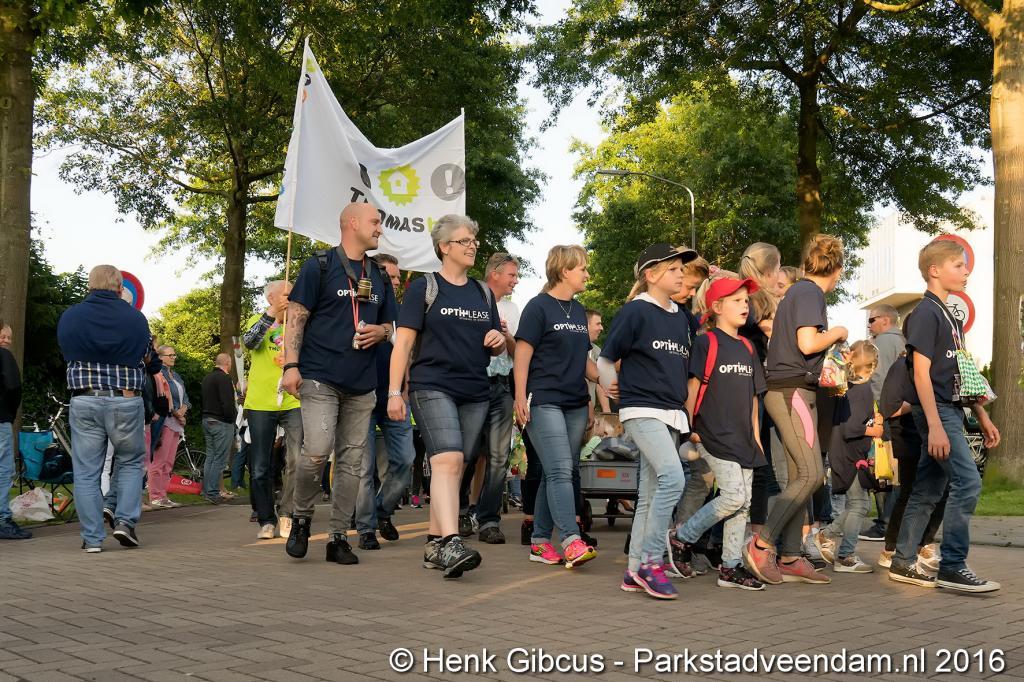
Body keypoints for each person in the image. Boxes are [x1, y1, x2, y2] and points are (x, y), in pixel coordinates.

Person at [388, 214, 504, 579]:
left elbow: (496, 343)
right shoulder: (425, 287)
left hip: (475, 389)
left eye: (474, 240)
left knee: (453, 468)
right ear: (444, 247)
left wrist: (498, 341)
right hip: (432, 385)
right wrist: (394, 392)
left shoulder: (483, 293)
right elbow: (403, 344)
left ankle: (434, 545)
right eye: (464, 240)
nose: (472, 246)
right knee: (448, 459)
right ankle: (452, 541)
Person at [281, 202, 397, 566]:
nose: (380, 228)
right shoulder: (319, 265)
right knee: (316, 450)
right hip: (319, 377)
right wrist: (291, 365)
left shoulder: (379, 274)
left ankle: (337, 537)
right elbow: (296, 317)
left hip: (363, 384)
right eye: (375, 222)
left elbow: (392, 325)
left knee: (351, 462)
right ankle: (301, 519)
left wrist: (382, 331)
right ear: (352, 223)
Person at [888, 240, 1001, 593]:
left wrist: (981, 414)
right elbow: (921, 374)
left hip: (950, 409)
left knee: (927, 489)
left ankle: (903, 561)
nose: (966, 272)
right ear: (935, 271)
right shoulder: (925, 313)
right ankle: (952, 565)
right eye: (958, 265)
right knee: (967, 482)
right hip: (937, 412)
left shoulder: (950, 315)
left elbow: (960, 372)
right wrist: (935, 425)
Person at [745, 235, 847, 585]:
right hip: (792, 393)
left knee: (798, 477)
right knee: (811, 475)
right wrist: (838, 332)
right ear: (838, 269)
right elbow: (807, 343)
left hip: (793, 392)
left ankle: (790, 556)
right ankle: (762, 545)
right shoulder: (809, 293)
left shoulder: (800, 292)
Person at [599, 244, 696, 599]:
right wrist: (612, 388)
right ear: (651, 275)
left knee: (650, 493)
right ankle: (652, 562)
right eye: (673, 269)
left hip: (671, 413)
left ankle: (633, 569)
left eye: (682, 268)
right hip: (642, 410)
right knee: (673, 478)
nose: (681, 274)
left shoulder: (681, 316)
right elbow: (606, 358)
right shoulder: (636, 311)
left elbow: (713, 313)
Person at [669, 276, 767, 591]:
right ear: (717, 307)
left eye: (746, 300)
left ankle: (730, 566)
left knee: (744, 503)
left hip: (744, 438)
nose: (745, 305)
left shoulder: (748, 347)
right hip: (712, 434)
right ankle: (682, 536)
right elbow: (693, 388)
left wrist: (756, 438)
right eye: (737, 300)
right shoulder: (706, 343)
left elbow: (754, 399)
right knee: (733, 496)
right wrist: (689, 428)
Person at [514, 244, 599, 569]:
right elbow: (522, 355)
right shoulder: (538, 307)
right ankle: (571, 539)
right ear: (564, 271)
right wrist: (520, 396)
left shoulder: (578, 310)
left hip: (575, 402)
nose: (587, 274)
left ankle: (539, 542)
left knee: (557, 471)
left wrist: (606, 381)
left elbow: (584, 361)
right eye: (583, 269)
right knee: (561, 469)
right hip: (544, 399)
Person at [57, 265, 151, 552]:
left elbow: (65, 351)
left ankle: (92, 538)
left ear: (90, 285)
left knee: (86, 471)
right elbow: (146, 355)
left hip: (84, 399)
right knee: (130, 462)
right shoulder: (136, 319)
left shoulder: (71, 317)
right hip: (125, 400)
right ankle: (125, 522)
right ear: (120, 287)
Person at [355, 253, 414, 550]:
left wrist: (405, 389)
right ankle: (366, 528)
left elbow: (409, 354)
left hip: (395, 398)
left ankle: (382, 511)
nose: (395, 282)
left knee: (406, 460)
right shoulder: (358, 309)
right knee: (364, 469)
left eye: (397, 277)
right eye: (389, 277)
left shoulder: (403, 313)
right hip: (362, 397)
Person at [242, 280, 303, 540]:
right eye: (286, 294)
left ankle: (288, 512)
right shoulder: (257, 320)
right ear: (271, 298)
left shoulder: (298, 323)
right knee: (260, 465)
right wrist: (271, 314)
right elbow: (250, 342)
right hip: (261, 402)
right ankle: (266, 519)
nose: (291, 298)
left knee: (297, 459)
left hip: (293, 400)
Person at [814, 341, 881, 574]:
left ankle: (826, 536)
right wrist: (872, 430)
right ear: (872, 366)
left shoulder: (846, 387)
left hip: (845, 452)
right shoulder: (862, 391)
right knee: (860, 505)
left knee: (858, 504)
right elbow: (851, 427)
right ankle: (845, 555)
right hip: (849, 454)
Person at [876, 351, 945, 572]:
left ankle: (923, 543)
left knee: (942, 490)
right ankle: (891, 548)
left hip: (930, 437)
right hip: (908, 437)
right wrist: (922, 402)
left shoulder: (933, 366)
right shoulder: (900, 368)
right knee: (910, 493)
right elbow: (889, 408)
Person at [471, 252, 521, 545]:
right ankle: (462, 512)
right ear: (495, 274)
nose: (516, 281)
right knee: (466, 454)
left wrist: (508, 336)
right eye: (512, 275)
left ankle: (489, 520)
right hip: (473, 385)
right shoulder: (472, 298)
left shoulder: (513, 309)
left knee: (499, 457)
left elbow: (518, 354)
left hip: (502, 388)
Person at [149, 345, 189, 507]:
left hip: (177, 422)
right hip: (165, 421)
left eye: (174, 355)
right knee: (160, 460)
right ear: (160, 357)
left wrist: (183, 411)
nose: (173, 357)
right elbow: (163, 398)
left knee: (169, 461)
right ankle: (155, 495)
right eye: (170, 355)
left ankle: (163, 495)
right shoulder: (159, 374)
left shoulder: (176, 375)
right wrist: (177, 414)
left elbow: (185, 398)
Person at [0, 323, 30, 540]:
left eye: (9, 337)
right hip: (1, 418)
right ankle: (2, 519)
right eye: (3, 336)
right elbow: (13, 386)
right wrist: (9, 412)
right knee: (3, 469)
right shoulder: (4, 356)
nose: (7, 340)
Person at [201, 353, 238, 504]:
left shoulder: (207, 377)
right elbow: (227, 403)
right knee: (219, 459)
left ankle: (206, 490)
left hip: (207, 419)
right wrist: (231, 420)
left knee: (210, 457)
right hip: (221, 421)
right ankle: (212, 492)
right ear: (228, 363)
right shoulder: (224, 378)